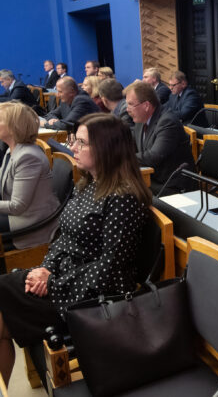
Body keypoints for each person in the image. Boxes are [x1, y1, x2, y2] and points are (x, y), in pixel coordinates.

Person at [0, 113, 152, 384]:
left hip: (91, 295)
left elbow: (112, 267)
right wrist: (44, 267)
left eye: (81, 143)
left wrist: (54, 282)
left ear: (107, 148)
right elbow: (64, 238)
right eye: (75, 140)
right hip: (66, 279)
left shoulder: (123, 198)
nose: (72, 148)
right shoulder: (89, 183)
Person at [0, 102, 59, 248]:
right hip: (19, 214)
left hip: (31, 221)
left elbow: (17, 206)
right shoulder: (12, 149)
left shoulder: (27, 157)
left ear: (15, 126)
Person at [124, 81, 195, 196]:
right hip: (152, 178)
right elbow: (131, 148)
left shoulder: (167, 121)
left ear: (146, 105)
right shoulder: (141, 119)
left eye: (130, 104)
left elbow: (154, 156)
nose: (127, 109)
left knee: (127, 192)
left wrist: (121, 159)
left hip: (171, 186)